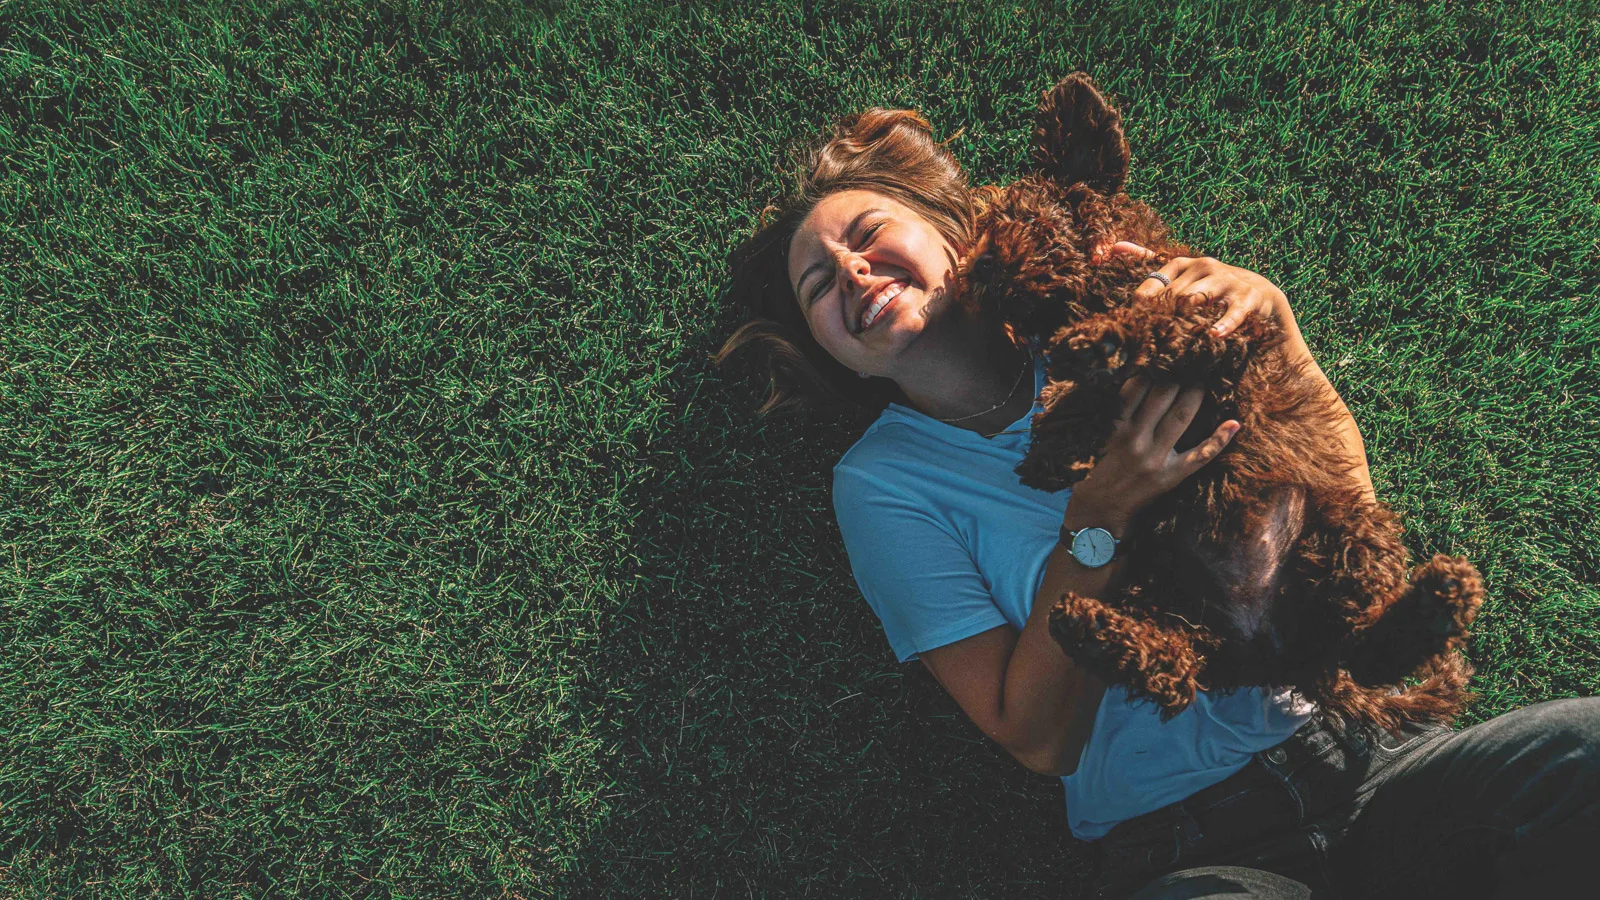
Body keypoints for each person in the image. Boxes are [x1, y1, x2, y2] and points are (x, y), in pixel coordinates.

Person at [715, 106, 1600, 899]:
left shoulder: (1105, 306)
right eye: (818, 287)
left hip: (1373, 752)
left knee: (1584, 752)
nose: (851, 271)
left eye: (869, 233)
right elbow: (1037, 740)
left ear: (951, 236)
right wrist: (1097, 520)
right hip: (1192, 834)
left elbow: (1337, 501)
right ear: (832, 354)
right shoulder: (882, 485)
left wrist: (1279, 326)